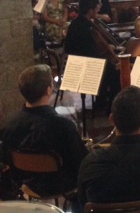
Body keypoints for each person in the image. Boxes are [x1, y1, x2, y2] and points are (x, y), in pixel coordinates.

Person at [0, 65, 88, 199]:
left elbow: (6, 159)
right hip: (60, 186)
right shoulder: (63, 126)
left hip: (25, 184)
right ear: (48, 90)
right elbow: (81, 163)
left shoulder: (8, 124)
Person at [65, 0, 120, 107]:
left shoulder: (80, 22)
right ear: (90, 11)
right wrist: (113, 62)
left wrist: (109, 47)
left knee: (111, 67)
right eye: (96, 10)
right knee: (116, 71)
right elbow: (91, 53)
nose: (98, 12)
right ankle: (110, 104)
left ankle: (102, 99)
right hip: (82, 65)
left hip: (81, 60)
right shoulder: (84, 27)